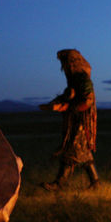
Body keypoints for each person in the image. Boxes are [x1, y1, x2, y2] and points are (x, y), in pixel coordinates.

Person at [40, 49, 99, 191]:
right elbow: (69, 96)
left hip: (82, 121)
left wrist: (70, 107)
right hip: (76, 119)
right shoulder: (75, 79)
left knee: (72, 148)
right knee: (82, 151)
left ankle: (60, 183)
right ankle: (95, 182)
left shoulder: (83, 79)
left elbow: (88, 101)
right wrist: (55, 104)